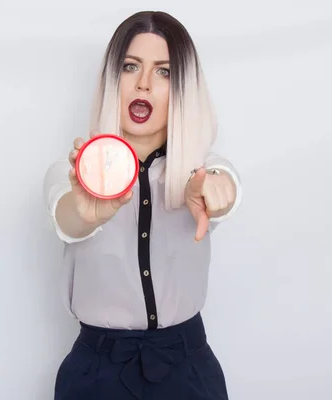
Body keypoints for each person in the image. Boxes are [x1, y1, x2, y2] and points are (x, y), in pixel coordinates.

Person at [42, 10, 242, 400]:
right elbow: (67, 216)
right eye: (131, 67)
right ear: (112, 80)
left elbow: (223, 183)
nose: (145, 84)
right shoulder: (68, 174)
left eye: (165, 72)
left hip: (187, 369)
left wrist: (216, 190)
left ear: (184, 87)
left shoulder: (199, 171)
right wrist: (85, 213)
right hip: (96, 374)